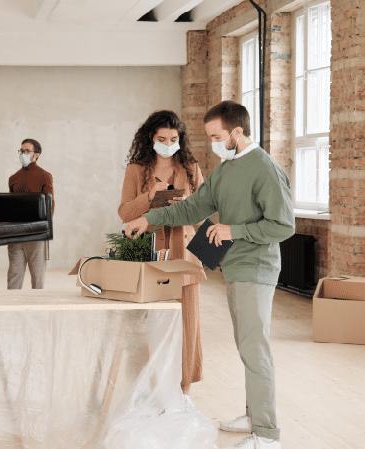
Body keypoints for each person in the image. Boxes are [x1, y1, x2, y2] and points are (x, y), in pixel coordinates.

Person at [123, 101, 294, 449]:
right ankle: (253, 414)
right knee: (247, 345)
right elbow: (193, 206)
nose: (213, 142)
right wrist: (147, 219)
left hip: (257, 267)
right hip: (235, 266)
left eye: (217, 136)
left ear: (236, 132)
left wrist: (234, 231)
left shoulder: (264, 168)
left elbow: (284, 225)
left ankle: (267, 433)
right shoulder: (228, 168)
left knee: (254, 347)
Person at [118, 110, 206, 396]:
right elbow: (125, 213)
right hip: (150, 250)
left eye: (173, 138)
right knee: (149, 320)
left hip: (184, 252)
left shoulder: (191, 169)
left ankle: (184, 387)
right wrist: (150, 195)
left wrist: (214, 247)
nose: (168, 143)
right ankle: (147, 384)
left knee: (187, 319)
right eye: (161, 138)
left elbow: (202, 212)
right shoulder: (136, 170)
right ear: (150, 138)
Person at [7, 138, 54, 290]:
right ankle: (11, 310)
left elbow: (50, 204)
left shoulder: (45, 176)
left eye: (27, 151)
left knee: (37, 278)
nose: (23, 153)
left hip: (36, 233)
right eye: (21, 151)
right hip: (16, 234)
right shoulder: (13, 178)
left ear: (37, 155)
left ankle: (39, 309)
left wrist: (43, 227)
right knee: (14, 275)